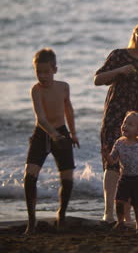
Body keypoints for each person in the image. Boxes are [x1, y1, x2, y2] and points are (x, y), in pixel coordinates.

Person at [94, 21, 138, 223]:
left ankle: (130, 214)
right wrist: (119, 71)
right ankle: (108, 212)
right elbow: (97, 79)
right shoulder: (119, 55)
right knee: (113, 162)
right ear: (133, 36)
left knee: (136, 165)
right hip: (117, 114)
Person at [24, 48, 80, 234]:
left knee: (68, 179)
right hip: (42, 134)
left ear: (55, 69)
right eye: (38, 72)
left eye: (46, 71)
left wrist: (73, 133)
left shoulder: (63, 86)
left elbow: (68, 110)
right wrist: (52, 135)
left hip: (61, 132)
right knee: (29, 177)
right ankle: (31, 221)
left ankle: (61, 216)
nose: (42, 76)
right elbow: (40, 118)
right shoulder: (36, 90)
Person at [104, 111, 138, 233]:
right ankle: (120, 222)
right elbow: (112, 161)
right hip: (124, 178)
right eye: (124, 123)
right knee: (118, 202)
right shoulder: (119, 143)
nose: (125, 126)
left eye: (130, 124)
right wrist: (106, 155)